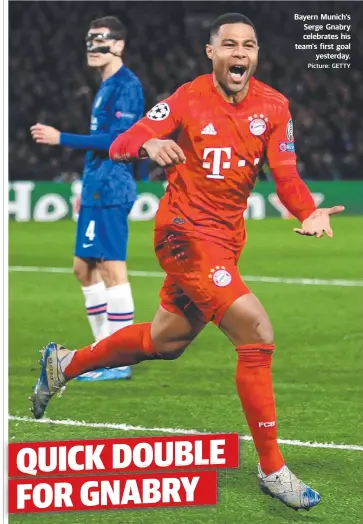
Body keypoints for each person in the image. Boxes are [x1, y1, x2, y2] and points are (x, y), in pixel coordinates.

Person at [31, 13, 344, 509]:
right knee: (256, 333)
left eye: (249, 45)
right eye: (229, 45)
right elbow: (124, 141)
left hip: (226, 239)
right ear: (211, 52)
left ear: (256, 54)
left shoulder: (274, 107)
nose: (240, 53)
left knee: (165, 341)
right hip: (183, 234)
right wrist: (150, 142)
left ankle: (65, 364)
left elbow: (286, 174)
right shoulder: (186, 98)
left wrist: (309, 210)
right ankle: (272, 470)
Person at [30, 16, 144, 381]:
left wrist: (61, 137)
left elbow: (118, 141)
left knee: (112, 269)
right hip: (96, 186)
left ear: (120, 45)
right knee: (84, 268)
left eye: (102, 41)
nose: (93, 48)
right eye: (89, 42)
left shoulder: (127, 86)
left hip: (113, 187)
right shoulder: (105, 86)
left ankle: (118, 359)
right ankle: (101, 354)